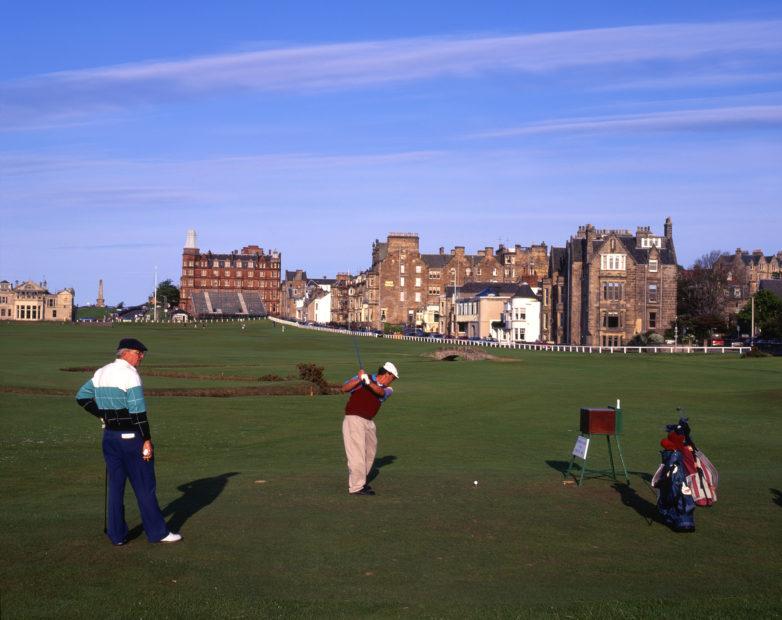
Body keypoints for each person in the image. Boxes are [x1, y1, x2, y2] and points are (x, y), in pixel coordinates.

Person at [76, 338, 181, 545]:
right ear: (126, 353)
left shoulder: (102, 372)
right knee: (144, 487)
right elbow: (138, 413)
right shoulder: (130, 375)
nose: (141, 357)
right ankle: (158, 533)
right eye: (138, 353)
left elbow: (82, 397)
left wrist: (104, 416)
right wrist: (147, 439)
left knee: (116, 488)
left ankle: (117, 535)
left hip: (110, 438)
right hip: (132, 439)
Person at [341, 361, 399, 496]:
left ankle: (360, 481)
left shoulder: (388, 389)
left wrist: (368, 383)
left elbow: (379, 392)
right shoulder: (363, 378)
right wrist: (359, 380)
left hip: (369, 422)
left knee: (369, 453)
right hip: (354, 419)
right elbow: (344, 388)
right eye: (393, 378)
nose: (393, 381)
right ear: (387, 374)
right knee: (357, 454)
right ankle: (356, 487)